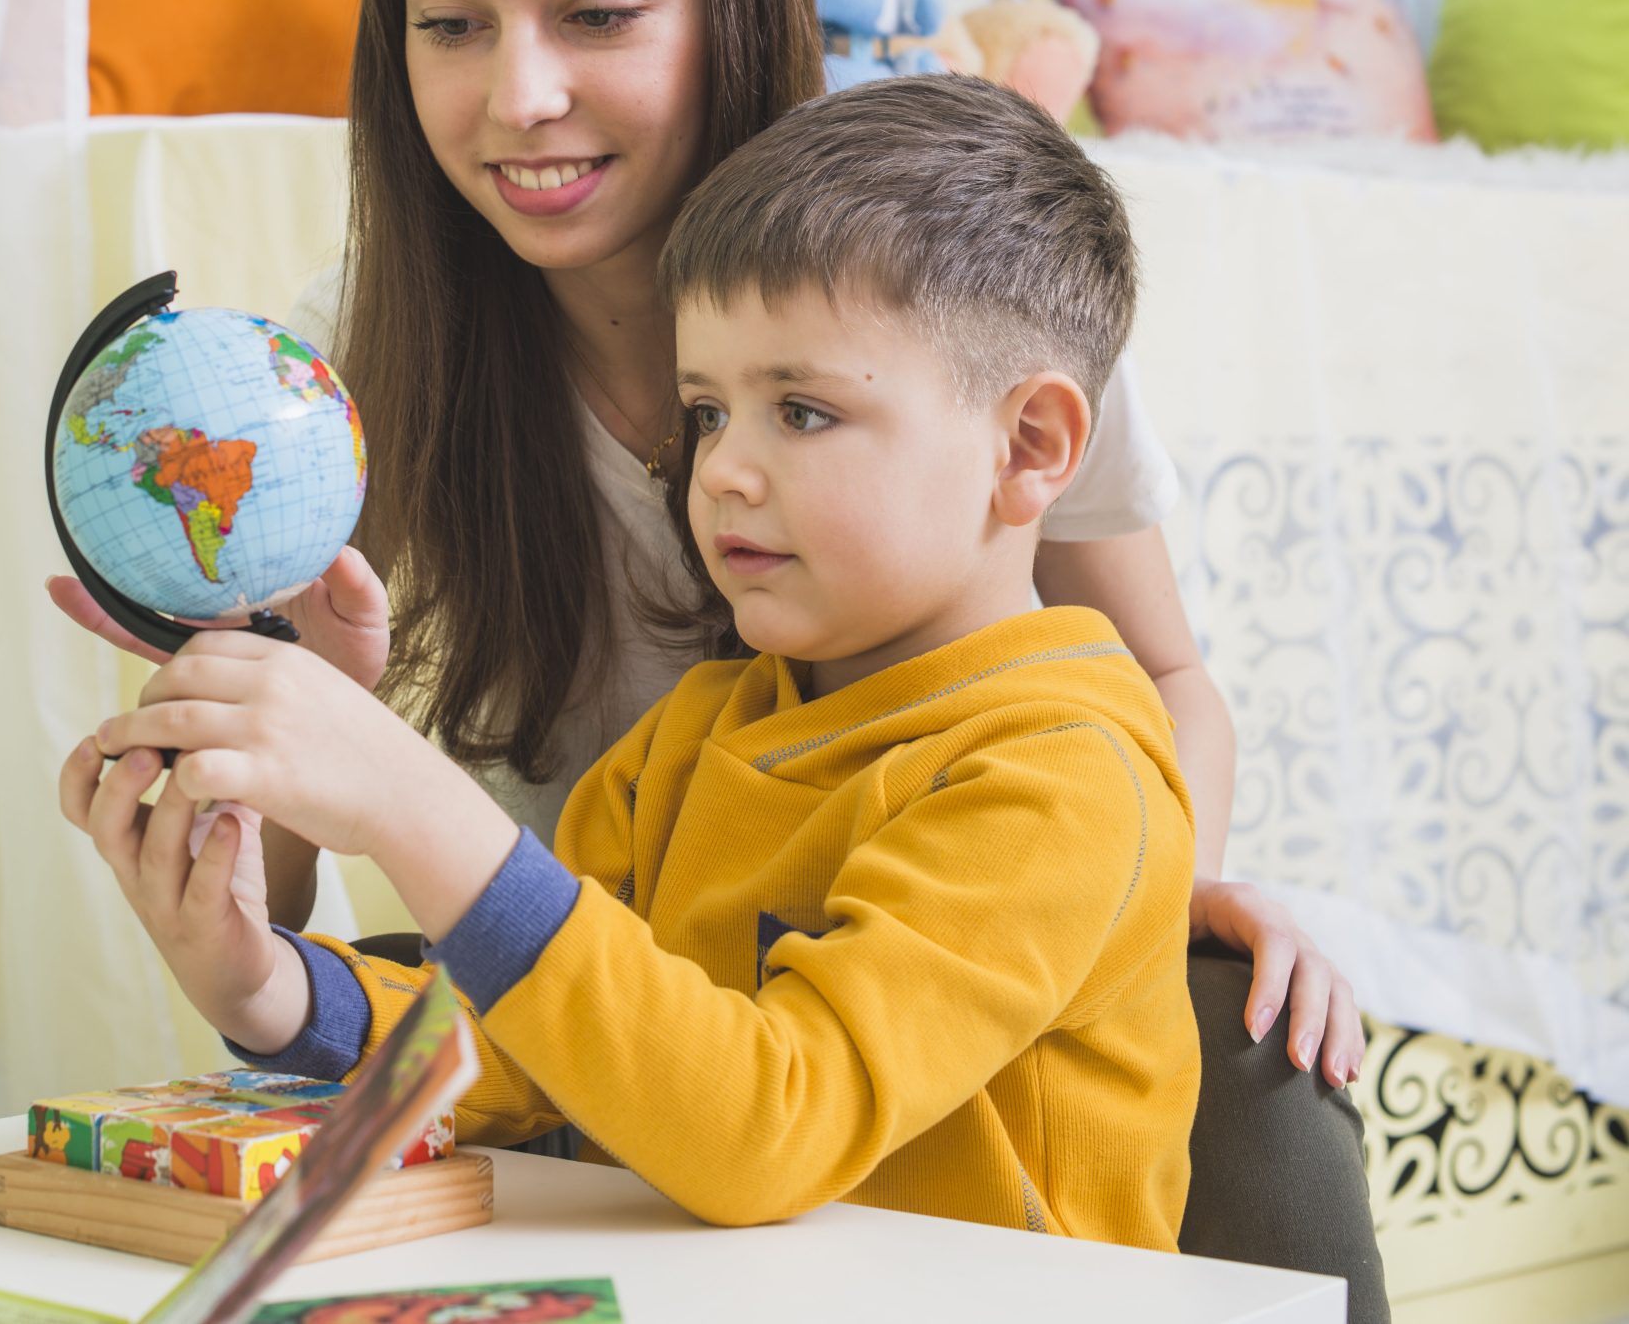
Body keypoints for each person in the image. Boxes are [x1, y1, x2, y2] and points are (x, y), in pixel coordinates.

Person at [46, 0, 1383, 1307]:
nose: (515, 94)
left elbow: (1121, 708)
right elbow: (550, 1042)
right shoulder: (335, 404)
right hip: (635, 1184)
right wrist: (269, 966)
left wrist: (1131, 882)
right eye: (449, 19)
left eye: (596, 12)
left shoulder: (952, 292)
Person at [65, 74, 1201, 1242]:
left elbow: (769, 1126)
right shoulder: (698, 732)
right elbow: (542, 1049)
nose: (722, 471)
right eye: (706, 410)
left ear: (1030, 444)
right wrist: (268, 985)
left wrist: (415, 804)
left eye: (799, 410)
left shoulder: (1062, 778)